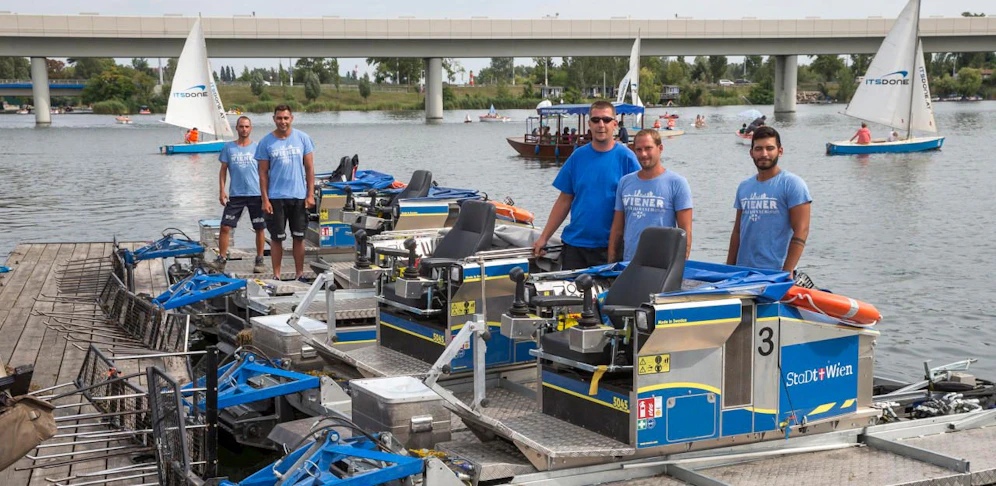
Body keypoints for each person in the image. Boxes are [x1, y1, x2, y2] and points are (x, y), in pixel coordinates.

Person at [532, 101, 640, 269]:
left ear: (614, 124)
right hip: (575, 245)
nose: (601, 125)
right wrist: (544, 237)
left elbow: (638, 205)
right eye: (596, 120)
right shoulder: (578, 157)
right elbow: (564, 200)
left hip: (611, 247)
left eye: (606, 119)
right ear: (589, 124)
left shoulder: (627, 158)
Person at [726, 126, 811, 274]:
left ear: (780, 151)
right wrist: (728, 269)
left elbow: (801, 230)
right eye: (758, 149)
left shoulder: (792, 184)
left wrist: (787, 271)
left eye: (770, 148)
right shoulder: (744, 187)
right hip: (742, 271)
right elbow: (738, 231)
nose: (764, 154)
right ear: (751, 153)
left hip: (775, 273)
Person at [608, 129, 692, 263]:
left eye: (648, 148)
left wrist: (680, 266)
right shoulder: (625, 182)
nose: (643, 154)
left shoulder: (677, 183)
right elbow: (617, 228)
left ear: (660, 148)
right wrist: (611, 260)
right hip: (630, 262)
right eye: (639, 149)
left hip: (662, 264)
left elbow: (685, 232)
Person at [256, 105, 316, 281]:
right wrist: (265, 199)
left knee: (299, 237)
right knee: (277, 238)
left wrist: (310, 194)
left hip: (298, 197)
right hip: (276, 198)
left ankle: (299, 274)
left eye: (286, 118)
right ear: (274, 119)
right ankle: (276, 275)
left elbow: (310, 168)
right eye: (279, 118)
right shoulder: (266, 142)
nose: (283, 121)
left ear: (292, 118)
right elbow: (262, 173)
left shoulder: (303, 138)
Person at [206, 116, 266, 274]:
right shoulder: (229, 148)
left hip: (256, 194)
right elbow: (223, 170)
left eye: (247, 126)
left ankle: (260, 259)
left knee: (259, 227)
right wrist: (222, 190)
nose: (244, 129)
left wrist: (266, 195)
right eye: (241, 126)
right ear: (237, 128)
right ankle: (222, 259)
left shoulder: (258, 148)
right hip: (236, 194)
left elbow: (264, 172)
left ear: (250, 128)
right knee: (225, 226)